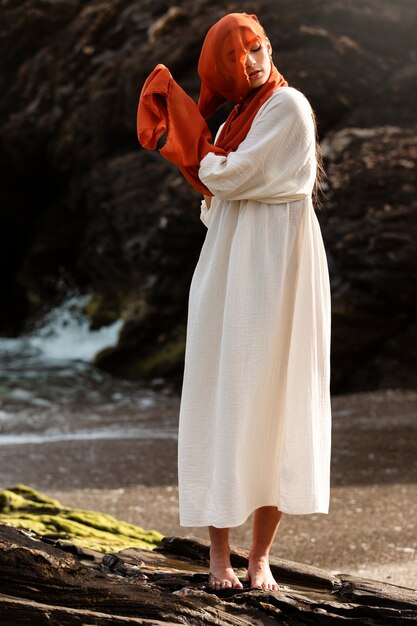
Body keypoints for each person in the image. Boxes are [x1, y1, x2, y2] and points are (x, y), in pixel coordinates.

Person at [137, 13, 331, 592]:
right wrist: (202, 144)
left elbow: (231, 177)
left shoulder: (288, 106)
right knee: (225, 396)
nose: (252, 59)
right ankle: (218, 556)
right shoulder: (237, 119)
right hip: (231, 264)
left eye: (257, 46)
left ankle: (259, 558)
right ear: (225, 71)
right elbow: (220, 197)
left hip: (280, 264)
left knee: (277, 400)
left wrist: (189, 136)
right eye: (237, 56)